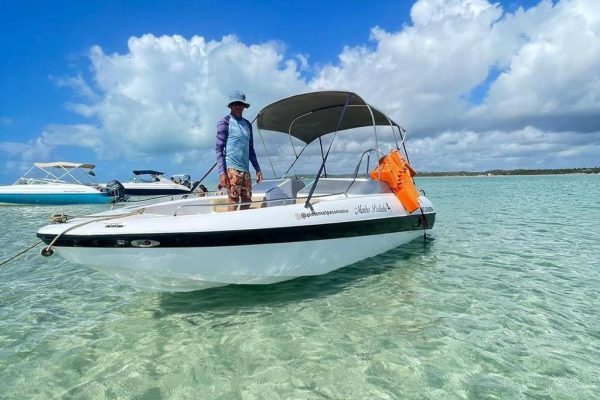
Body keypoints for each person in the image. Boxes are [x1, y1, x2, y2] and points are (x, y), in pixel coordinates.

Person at [215, 90, 263, 211]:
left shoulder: (248, 124)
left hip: (245, 170)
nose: (237, 106)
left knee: (247, 201)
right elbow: (219, 149)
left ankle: (242, 226)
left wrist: (257, 169)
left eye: (240, 104)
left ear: (244, 106)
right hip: (231, 169)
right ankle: (229, 228)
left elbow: (250, 149)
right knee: (233, 201)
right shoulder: (224, 123)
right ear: (230, 106)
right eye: (235, 104)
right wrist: (222, 173)